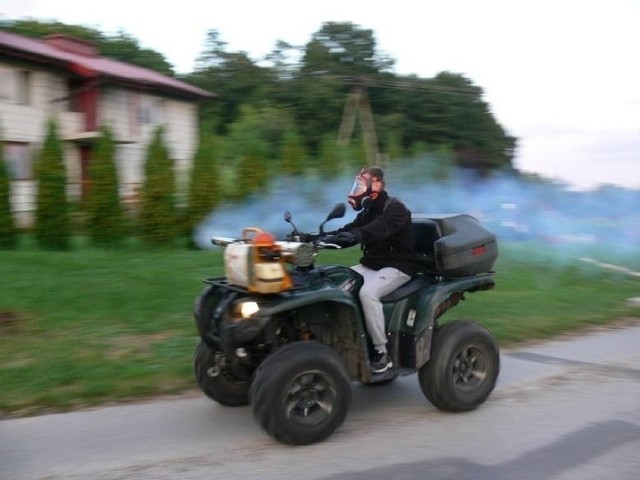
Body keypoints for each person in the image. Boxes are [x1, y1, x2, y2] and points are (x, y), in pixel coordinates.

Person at [324, 166, 415, 373]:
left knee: (368, 293)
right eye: (357, 184)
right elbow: (349, 231)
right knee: (337, 283)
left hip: (397, 267)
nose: (357, 188)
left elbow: (378, 229)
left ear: (376, 184)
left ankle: (382, 353)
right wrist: (317, 237)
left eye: (361, 184)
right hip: (372, 265)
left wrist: (356, 236)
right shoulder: (368, 210)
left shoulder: (395, 208)